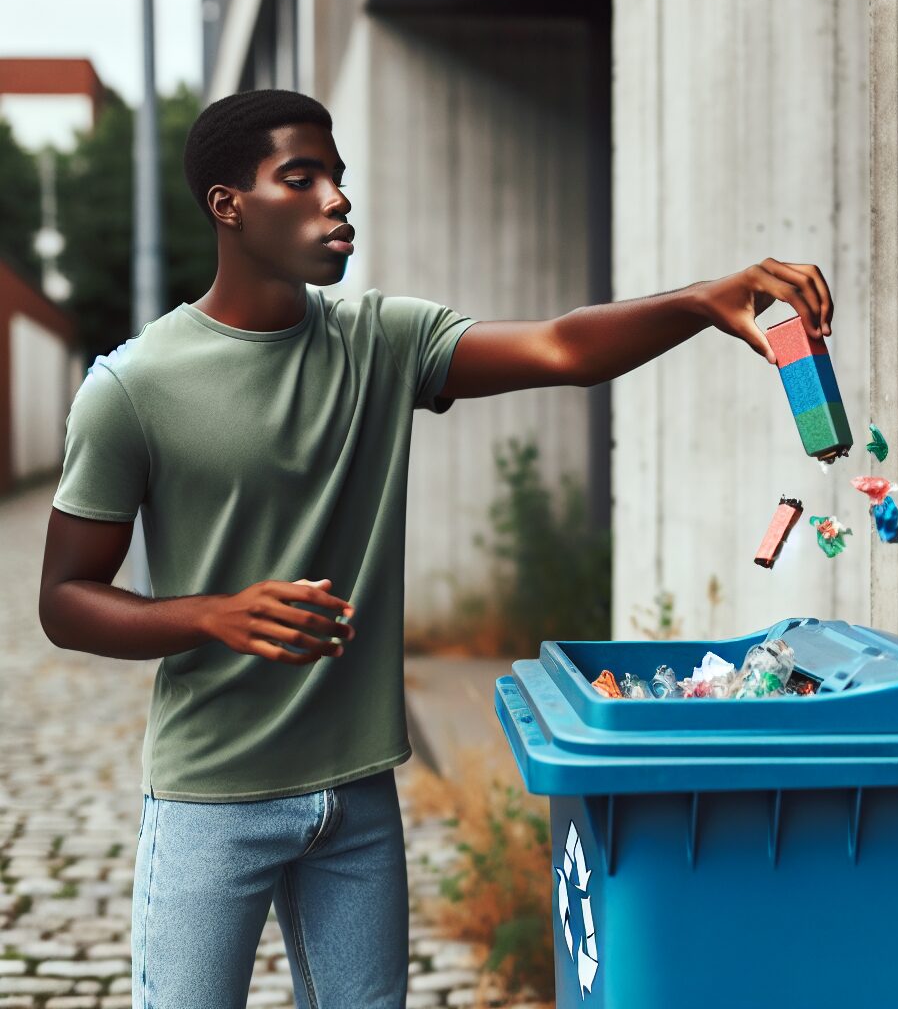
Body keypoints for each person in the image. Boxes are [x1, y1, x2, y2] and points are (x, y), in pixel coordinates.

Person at [37, 89, 834, 1009]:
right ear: (228, 205)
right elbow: (65, 600)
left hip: (357, 795)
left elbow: (562, 347)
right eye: (301, 178)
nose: (337, 198)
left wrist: (704, 300)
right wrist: (212, 615)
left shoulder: (383, 339)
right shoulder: (130, 389)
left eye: (338, 176)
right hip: (212, 796)